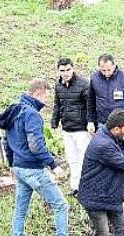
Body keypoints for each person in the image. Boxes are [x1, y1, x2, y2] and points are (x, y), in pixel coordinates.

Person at [0, 78, 88, 236]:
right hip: (33, 169)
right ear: (39, 92)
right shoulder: (32, 115)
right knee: (61, 205)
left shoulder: (15, 110)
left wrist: (12, 165)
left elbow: (7, 141)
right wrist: (53, 165)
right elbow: (35, 145)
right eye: (46, 94)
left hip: (20, 169)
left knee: (20, 211)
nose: (47, 100)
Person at [50, 58, 91, 195]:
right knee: (72, 159)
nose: (65, 73)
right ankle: (75, 187)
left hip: (81, 129)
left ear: (73, 69)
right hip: (67, 129)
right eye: (62, 70)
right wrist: (54, 121)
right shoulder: (58, 85)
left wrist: (91, 123)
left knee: (83, 159)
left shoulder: (84, 84)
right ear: (58, 71)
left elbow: (90, 106)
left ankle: (86, 187)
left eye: (68, 70)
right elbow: (57, 104)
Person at [86, 54, 124, 134]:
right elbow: (91, 101)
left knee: (123, 146)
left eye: (109, 70)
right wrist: (90, 121)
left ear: (114, 65)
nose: (106, 73)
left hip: (122, 125)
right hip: (103, 124)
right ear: (99, 67)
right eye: (103, 70)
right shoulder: (94, 79)